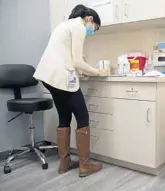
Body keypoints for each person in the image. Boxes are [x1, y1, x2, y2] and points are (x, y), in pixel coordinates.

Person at [33, 4, 108, 177]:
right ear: (90, 19)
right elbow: (76, 61)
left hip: (49, 77)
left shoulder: (65, 25)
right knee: (83, 117)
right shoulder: (79, 26)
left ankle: (64, 163)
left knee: (64, 116)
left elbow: (66, 56)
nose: (92, 32)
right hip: (60, 78)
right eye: (94, 29)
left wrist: (79, 69)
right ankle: (85, 165)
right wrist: (97, 71)